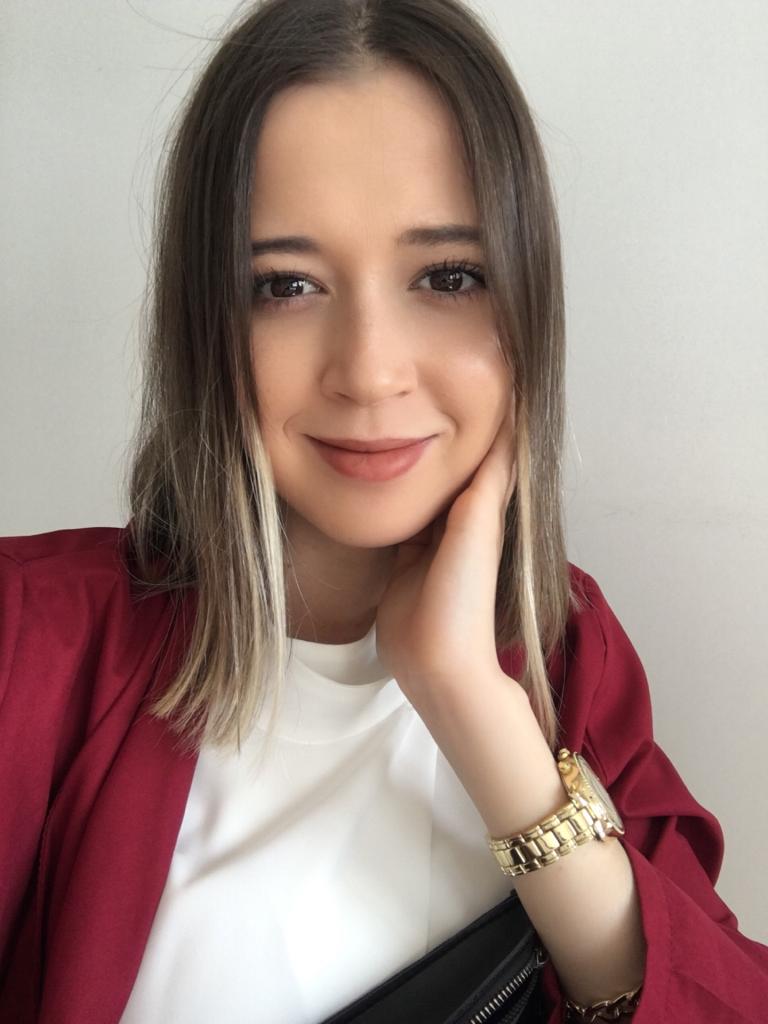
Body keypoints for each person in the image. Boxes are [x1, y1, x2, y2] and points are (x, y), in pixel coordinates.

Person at [1, 0, 766, 1021]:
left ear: (529, 310)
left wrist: (473, 703)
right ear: (204, 322)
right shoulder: (29, 639)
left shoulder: (570, 653)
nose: (368, 370)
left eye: (447, 276)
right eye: (286, 285)